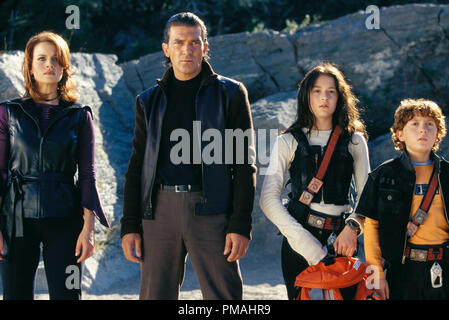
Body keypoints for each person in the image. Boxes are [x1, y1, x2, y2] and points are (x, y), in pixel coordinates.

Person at [120, 12, 257, 300]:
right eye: (179, 42)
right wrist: (130, 224)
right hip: (159, 211)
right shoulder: (147, 101)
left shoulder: (231, 94)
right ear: (166, 49)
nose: (187, 49)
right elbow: (136, 166)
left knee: (225, 298)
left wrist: (240, 223)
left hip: (212, 210)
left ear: (205, 47)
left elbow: (244, 166)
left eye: (194, 42)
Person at [0, 31, 109, 300]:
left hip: (65, 218)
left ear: (64, 66)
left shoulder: (79, 116)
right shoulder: (8, 113)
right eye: (42, 58)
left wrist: (88, 229)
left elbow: (87, 174)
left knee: (67, 295)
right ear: (30, 65)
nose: (49, 64)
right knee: (15, 295)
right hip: (16, 219)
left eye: (55, 59)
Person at [260, 62, 369, 300]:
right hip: (298, 239)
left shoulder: (355, 141)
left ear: (340, 96)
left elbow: (367, 195)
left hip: (342, 240)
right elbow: (268, 199)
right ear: (306, 95)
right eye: (317, 90)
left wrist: (353, 228)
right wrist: (303, 242)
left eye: (331, 91)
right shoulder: (287, 140)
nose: (324, 97)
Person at [358, 98, 449, 300]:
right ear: (400, 134)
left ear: (437, 134)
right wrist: (376, 275)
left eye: (429, 124)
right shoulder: (383, 175)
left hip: (444, 267)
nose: (423, 130)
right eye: (414, 124)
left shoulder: (447, 174)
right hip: (402, 269)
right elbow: (372, 225)